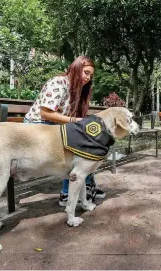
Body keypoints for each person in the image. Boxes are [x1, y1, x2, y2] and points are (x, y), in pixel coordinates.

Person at [23, 56, 105, 206]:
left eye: (91, 75)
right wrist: (76, 121)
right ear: (76, 68)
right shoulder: (58, 82)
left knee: (91, 143)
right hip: (37, 126)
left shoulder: (77, 89)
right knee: (81, 147)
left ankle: (85, 185)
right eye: (86, 72)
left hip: (54, 128)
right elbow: (45, 113)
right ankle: (69, 193)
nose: (88, 78)